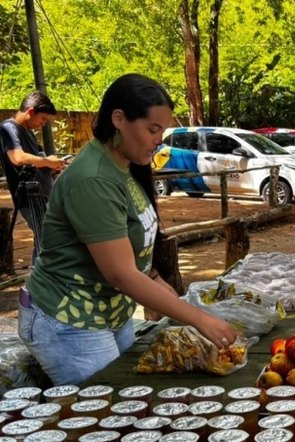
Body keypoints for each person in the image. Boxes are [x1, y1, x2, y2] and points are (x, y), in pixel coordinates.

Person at [17, 74, 238, 386]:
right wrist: (199, 319)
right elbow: (121, 274)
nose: (160, 139)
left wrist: (161, 286)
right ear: (119, 119)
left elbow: (131, 251)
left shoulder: (125, 166)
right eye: (153, 129)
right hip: (69, 318)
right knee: (107, 413)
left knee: (130, 400)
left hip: (108, 311)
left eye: (162, 130)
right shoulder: (93, 179)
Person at [0, 91, 68, 259]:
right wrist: (46, 161)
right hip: (29, 197)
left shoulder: (28, 132)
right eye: (43, 119)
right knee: (46, 241)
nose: (43, 123)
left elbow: (38, 159)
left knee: (48, 239)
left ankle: (38, 281)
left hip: (43, 194)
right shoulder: (8, 128)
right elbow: (17, 157)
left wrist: (53, 165)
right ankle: (37, 284)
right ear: (30, 112)